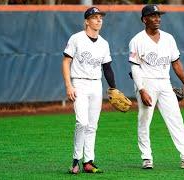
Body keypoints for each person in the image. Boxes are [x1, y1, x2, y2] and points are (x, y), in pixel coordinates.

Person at [128, 4, 184, 169]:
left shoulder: (168, 38)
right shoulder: (137, 40)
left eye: (159, 15)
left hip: (165, 83)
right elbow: (135, 67)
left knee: (176, 119)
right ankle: (146, 158)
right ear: (144, 19)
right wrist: (141, 89)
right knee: (144, 120)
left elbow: (176, 62)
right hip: (146, 82)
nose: (157, 18)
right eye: (153, 15)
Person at [62, 7, 117, 174]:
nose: (99, 20)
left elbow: (107, 68)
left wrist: (113, 87)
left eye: (100, 17)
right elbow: (66, 62)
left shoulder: (104, 43)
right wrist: (68, 85)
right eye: (95, 17)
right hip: (79, 83)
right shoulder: (76, 39)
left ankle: (89, 161)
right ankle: (75, 160)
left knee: (92, 125)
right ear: (87, 21)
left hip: (96, 85)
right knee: (82, 122)